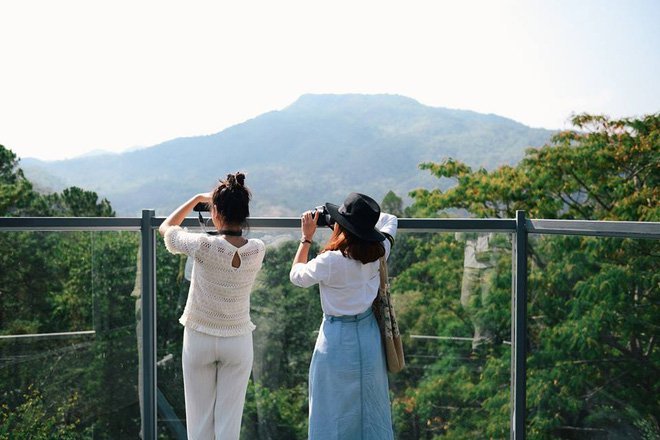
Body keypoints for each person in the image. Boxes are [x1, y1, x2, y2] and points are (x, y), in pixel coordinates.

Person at [159, 172, 266, 440]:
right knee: (229, 425)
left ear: (215, 213)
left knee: (199, 422)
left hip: (200, 336)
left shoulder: (203, 245)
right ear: (245, 215)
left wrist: (196, 198)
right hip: (238, 339)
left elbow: (167, 228)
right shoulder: (258, 250)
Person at [289, 192, 398, 440]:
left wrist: (306, 239)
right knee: (371, 408)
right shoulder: (380, 251)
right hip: (369, 336)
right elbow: (391, 220)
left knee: (331, 410)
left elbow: (297, 276)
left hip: (336, 340)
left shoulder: (330, 261)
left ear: (342, 227)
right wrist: (360, 223)